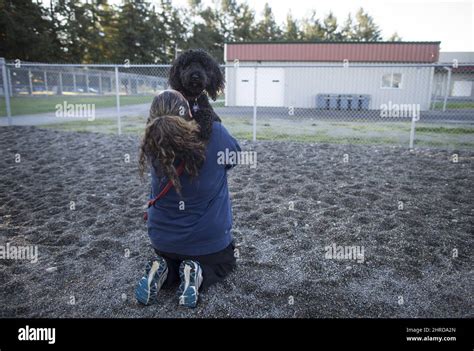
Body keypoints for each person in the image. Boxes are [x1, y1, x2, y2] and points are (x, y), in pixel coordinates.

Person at [135, 89, 241, 308]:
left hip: (163, 240)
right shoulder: (216, 134)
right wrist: (210, 118)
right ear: (190, 114)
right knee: (224, 262)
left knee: (173, 256)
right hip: (207, 242)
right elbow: (234, 157)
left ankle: (164, 269)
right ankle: (196, 273)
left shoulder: (154, 144)